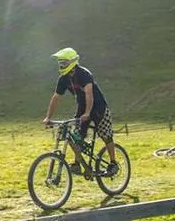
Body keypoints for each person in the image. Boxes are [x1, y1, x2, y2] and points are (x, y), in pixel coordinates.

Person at [42, 47, 118, 177]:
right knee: (76, 136)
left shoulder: (84, 74)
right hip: (82, 107)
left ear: (72, 61)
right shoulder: (63, 78)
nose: (61, 65)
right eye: (60, 63)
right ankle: (78, 164)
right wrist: (48, 117)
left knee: (106, 134)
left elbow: (89, 94)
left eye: (64, 63)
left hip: (98, 106)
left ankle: (113, 163)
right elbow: (56, 97)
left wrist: (88, 113)